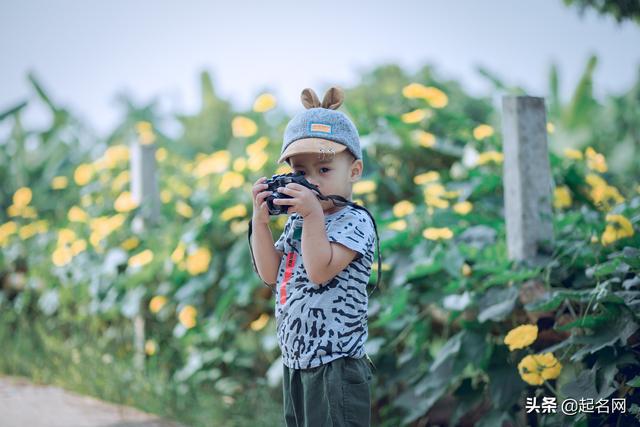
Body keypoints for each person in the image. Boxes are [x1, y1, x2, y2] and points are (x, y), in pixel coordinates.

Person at [250, 86, 377, 427]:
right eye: (301, 172)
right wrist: (260, 223)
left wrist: (312, 217)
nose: (312, 182)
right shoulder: (298, 220)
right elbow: (270, 274)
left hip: (336, 364)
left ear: (354, 171)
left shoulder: (356, 221)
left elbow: (320, 270)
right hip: (296, 359)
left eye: (324, 170)